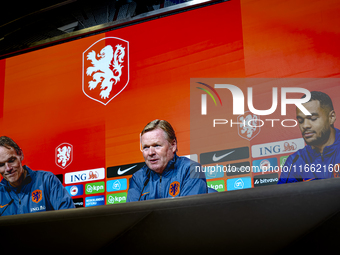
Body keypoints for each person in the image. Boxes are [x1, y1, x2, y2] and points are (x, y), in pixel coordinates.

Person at [127, 119, 208, 202]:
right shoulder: (138, 178)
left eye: (157, 145)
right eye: (146, 147)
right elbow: (131, 214)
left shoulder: (191, 170)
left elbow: (189, 212)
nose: (150, 152)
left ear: (173, 145)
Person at [0, 136, 75, 216]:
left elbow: (69, 219)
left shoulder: (47, 181)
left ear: (20, 154)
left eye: (11, 160)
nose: (8, 168)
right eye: (1, 165)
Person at [278, 91, 340, 184]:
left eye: (312, 118)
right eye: (301, 120)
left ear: (331, 117)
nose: (305, 125)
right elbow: (281, 197)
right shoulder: (295, 161)